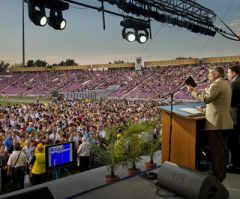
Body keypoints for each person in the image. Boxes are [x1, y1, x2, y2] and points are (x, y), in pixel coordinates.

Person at [187, 66, 233, 182]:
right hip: (223, 122)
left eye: (210, 73)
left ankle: (217, 176)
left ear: (217, 74)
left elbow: (207, 99)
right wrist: (203, 110)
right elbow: (217, 104)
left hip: (216, 123)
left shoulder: (217, 84)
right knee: (221, 151)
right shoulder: (225, 84)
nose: (208, 75)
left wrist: (193, 92)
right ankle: (219, 173)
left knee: (216, 151)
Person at [227, 65, 240, 173]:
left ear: (234, 73)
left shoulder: (234, 84)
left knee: (234, 142)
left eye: (229, 72)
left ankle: (236, 166)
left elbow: (226, 101)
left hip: (236, 117)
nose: (227, 74)